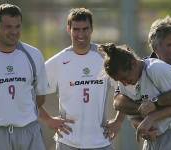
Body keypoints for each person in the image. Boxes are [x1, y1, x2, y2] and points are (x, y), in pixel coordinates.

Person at [113, 16, 171, 150]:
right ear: (155, 48)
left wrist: (155, 104)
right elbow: (119, 101)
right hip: (156, 136)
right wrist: (141, 118)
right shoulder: (143, 67)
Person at [0, 4, 49, 150]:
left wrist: (20, 115)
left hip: (30, 131)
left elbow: (40, 97)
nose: (14, 32)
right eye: (8, 27)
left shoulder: (34, 55)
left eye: (17, 26)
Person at [42, 8, 123, 150]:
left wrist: (119, 121)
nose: (81, 34)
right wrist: (48, 119)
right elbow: (29, 91)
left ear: (92, 29)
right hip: (68, 142)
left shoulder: (105, 57)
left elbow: (127, 87)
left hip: (101, 141)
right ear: (69, 29)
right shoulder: (59, 61)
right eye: (76, 29)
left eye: (85, 29)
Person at [99, 43, 171, 150]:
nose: (124, 83)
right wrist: (143, 128)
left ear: (133, 63)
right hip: (152, 140)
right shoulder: (124, 82)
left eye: (125, 78)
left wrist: (152, 117)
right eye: (119, 80)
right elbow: (134, 115)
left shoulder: (156, 69)